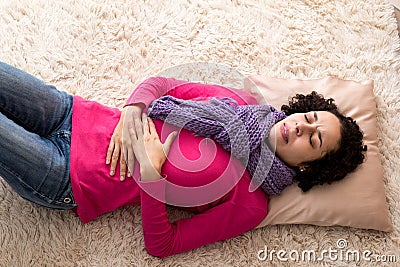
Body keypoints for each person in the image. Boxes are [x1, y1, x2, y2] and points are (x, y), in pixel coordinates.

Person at [0, 62, 365, 258]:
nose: (303, 127)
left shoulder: (251, 203)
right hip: (72, 112)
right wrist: (133, 109)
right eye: (311, 118)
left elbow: (163, 245)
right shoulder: (238, 102)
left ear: (308, 166)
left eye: (315, 139)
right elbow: (164, 85)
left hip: (67, 176)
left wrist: (151, 175)